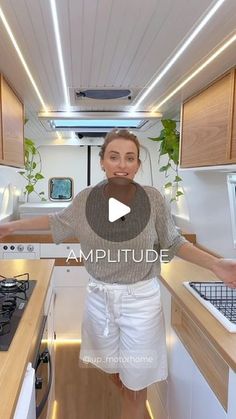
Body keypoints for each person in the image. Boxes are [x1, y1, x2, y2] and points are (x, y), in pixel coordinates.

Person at [1, 129, 236, 419]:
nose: (122, 164)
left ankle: (134, 402)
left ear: (138, 165)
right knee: (114, 371)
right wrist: (10, 227)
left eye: (130, 158)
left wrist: (216, 264)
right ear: (103, 162)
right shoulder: (87, 200)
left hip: (140, 302)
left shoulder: (153, 200)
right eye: (114, 157)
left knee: (137, 385)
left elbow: (174, 242)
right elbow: (56, 222)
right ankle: (127, 391)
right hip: (100, 299)